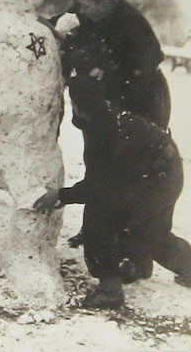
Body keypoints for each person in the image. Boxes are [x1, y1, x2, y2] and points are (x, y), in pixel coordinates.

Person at [34, 74, 191, 309]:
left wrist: (60, 196)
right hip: (165, 171)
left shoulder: (104, 130)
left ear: (79, 103)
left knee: (99, 217)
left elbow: (98, 187)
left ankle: (110, 290)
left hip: (156, 179)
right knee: (148, 232)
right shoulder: (106, 115)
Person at [60, 0, 171, 263]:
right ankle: (99, 229)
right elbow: (72, 26)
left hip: (141, 104)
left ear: (106, 4)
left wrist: (109, 73)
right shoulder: (93, 12)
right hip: (103, 104)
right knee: (98, 165)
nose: (79, 11)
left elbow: (148, 65)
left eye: (84, 7)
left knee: (137, 172)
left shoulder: (131, 24)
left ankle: (139, 253)